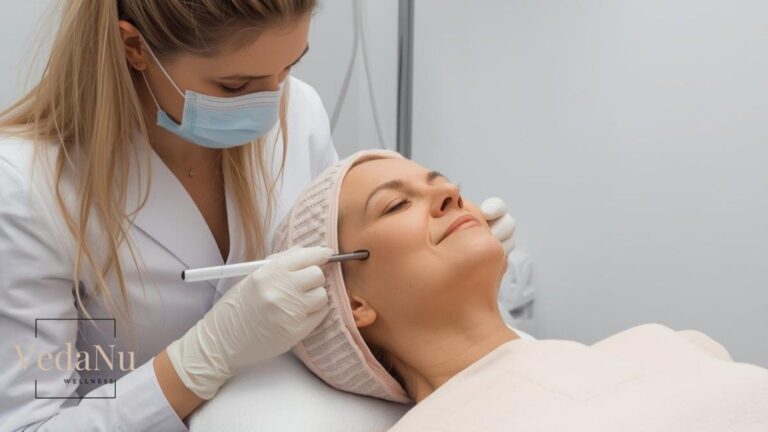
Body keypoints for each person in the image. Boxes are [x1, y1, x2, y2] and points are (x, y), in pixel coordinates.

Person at [0, 1, 517, 430]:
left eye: (290, 67)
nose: (273, 104)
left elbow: (347, 280)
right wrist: (200, 359)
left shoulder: (300, 112)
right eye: (235, 86)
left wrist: (463, 254)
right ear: (134, 47)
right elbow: (30, 423)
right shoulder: (27, 190)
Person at [272, 149, 768, 431]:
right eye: (396, 206)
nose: (450, 195)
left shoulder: (664, 343)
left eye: (443, 183)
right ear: (352, 303)